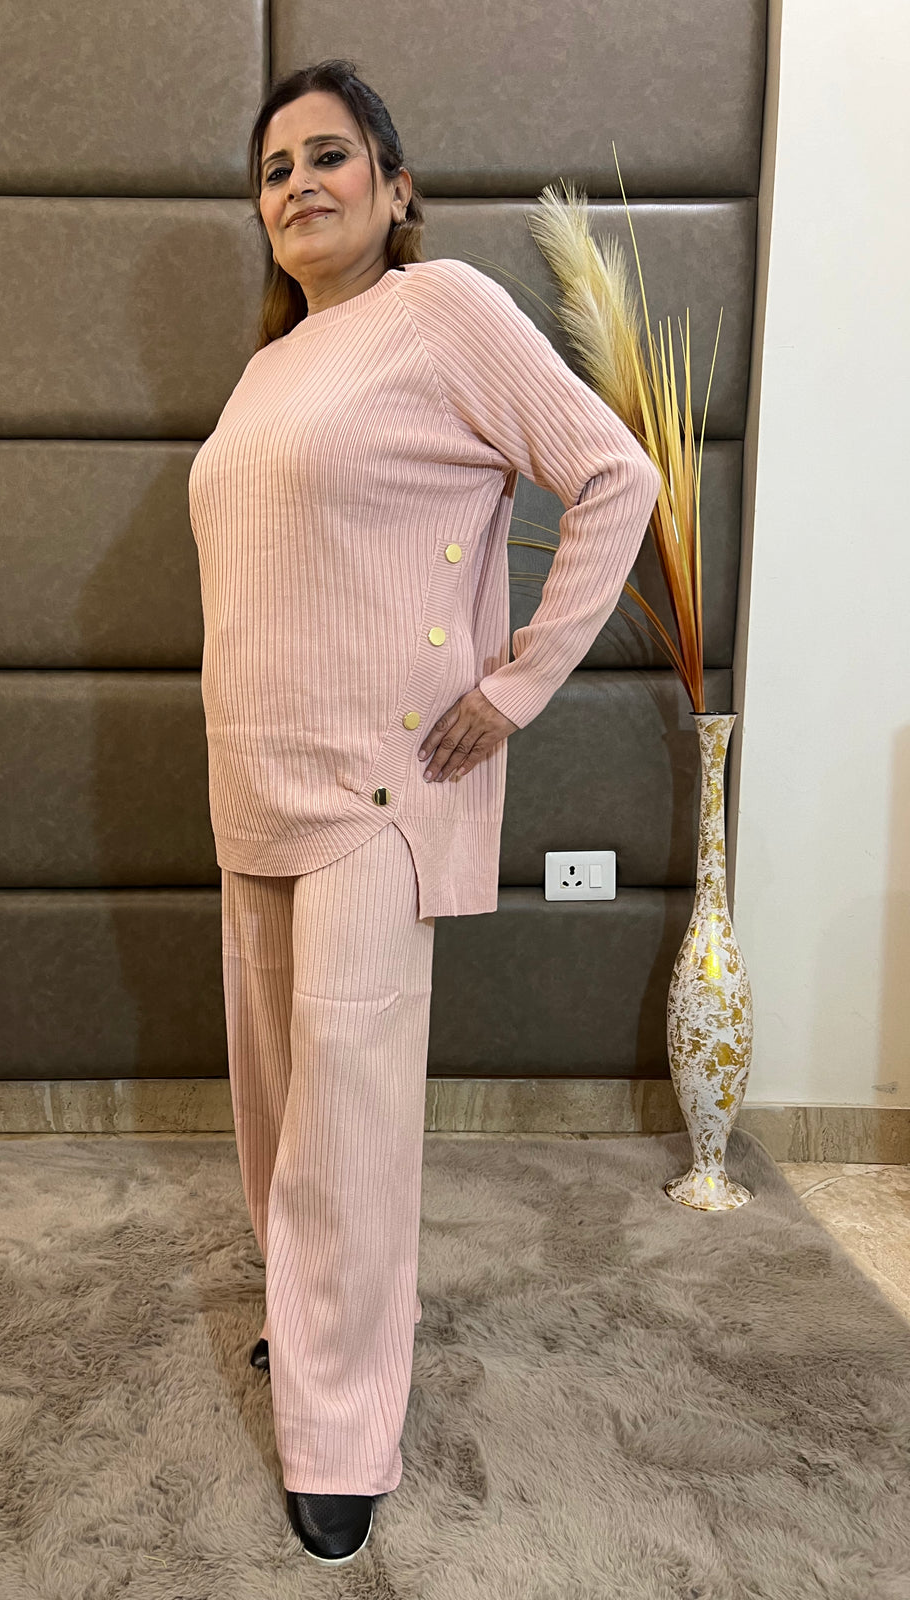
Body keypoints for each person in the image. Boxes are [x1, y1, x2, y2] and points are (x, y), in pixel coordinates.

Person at [187, 59, 662, 1565]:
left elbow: (617, 477)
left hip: (375, 790)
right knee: (276, 1097)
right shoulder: (270, 367)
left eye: (329, 156)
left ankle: (342, 1428)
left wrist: (516, 687)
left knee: (348, 1115)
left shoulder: (442, 307)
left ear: (396, 188)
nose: (298, 186)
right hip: (254, 779)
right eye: (274, 170)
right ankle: (309, 1314)